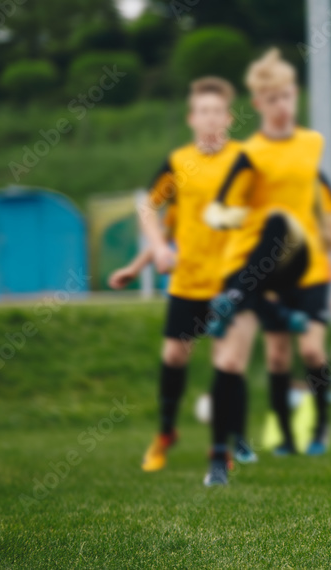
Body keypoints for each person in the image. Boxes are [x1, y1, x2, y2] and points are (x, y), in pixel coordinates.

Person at [202, 49, 331, 485]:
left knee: (310, 351)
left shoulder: (313, 146)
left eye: (288, 95)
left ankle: (319, 429)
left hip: (304, 270)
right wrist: (236, 219)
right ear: (258, 104)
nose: (283, 104)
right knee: (239, 358)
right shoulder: (248, 154)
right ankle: (222, 455)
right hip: (252, 267)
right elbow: (219, 213)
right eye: (272, 98)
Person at [134, 77, 243, 473]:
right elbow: (148, 207)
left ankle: (221, 446)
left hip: (229, 283)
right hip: (187, 280)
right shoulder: (179, 162)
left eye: (217, 111)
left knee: (225, 363)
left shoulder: (243, 160)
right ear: (191, 118)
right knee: (174, 355)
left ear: (229, 117)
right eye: (203, 112)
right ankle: (166, 432)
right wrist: (160, 248)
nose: (211, 119)